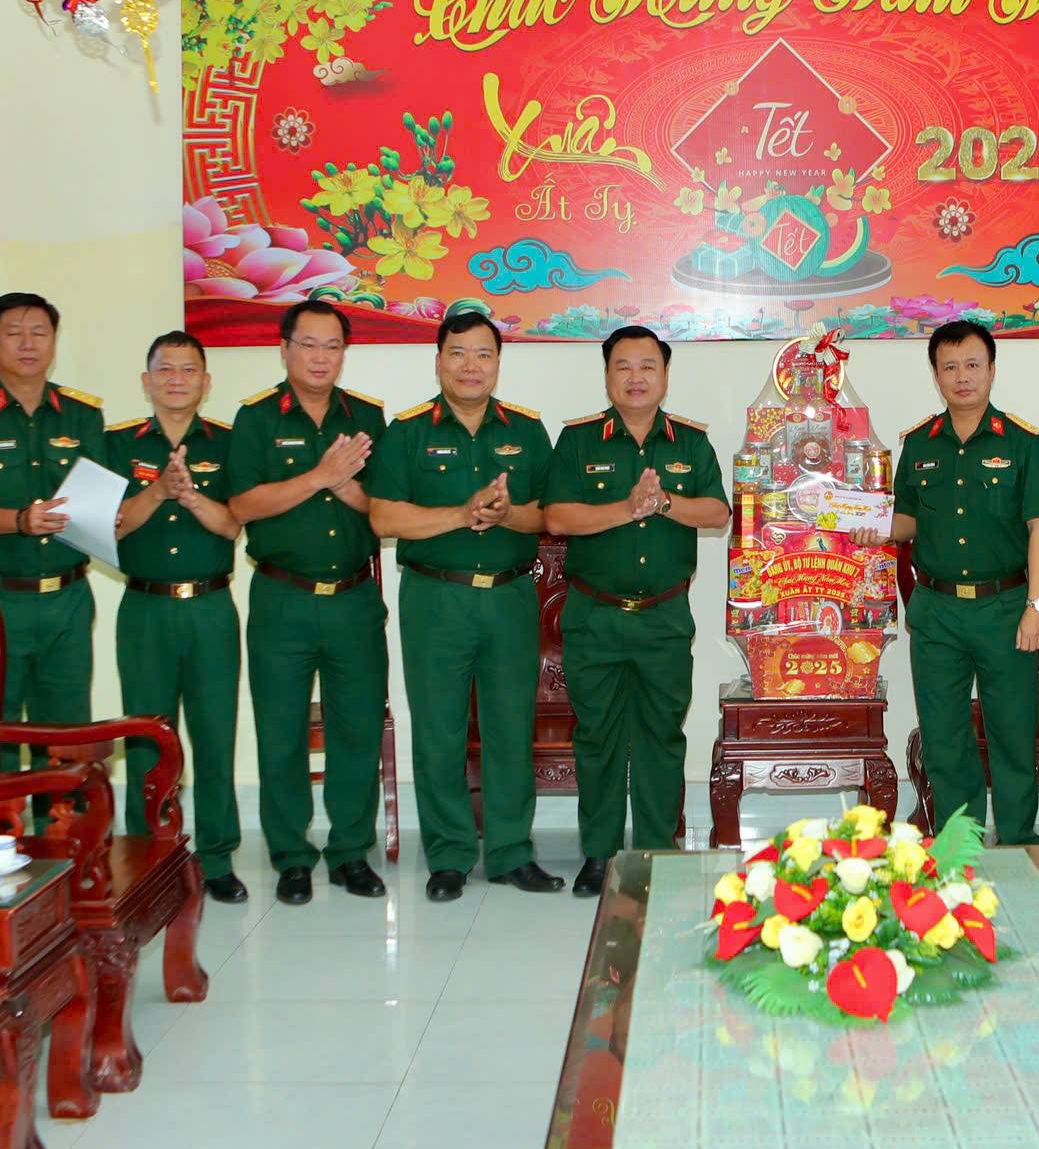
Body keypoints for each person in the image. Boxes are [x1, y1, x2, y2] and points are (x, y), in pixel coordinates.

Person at [366, 309, 561, 902]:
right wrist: (460, 514)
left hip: (509, 598)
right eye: (458, 353)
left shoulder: (526, 430)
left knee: (510, 729)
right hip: (436, 598)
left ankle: (510, 852)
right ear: (439, 362)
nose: (470, 366)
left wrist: (507, 514)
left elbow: (548, 514)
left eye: (483, 354)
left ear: (498, 364)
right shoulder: (408, 432)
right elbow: (383, 517)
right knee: (439, 730)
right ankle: (449, 856)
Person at [542, 325, 728, 897]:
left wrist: (665, 502)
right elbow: (557, 518)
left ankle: (654, 854)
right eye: (623, 366)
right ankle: (599, 855)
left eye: (648, 366)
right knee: (597, 738)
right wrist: (627, 509)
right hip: (594, 617)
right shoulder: (578, 441)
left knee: (660, 738)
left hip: (663, 619)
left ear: (665, 375)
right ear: (607, 376)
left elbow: (718, 512)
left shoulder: (690, 443)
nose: (636, 377)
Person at [855, 321, 1039, 849]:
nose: (962, 377)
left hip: (1006, 608)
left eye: (972, 365)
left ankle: (1017, 841)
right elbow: (907, 521)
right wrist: (870, 524)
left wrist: (1037, 607)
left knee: (1012, 732)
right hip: (937, 610)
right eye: (950, 367)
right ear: (936, 375)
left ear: (991, 370)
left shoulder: (1024, 443)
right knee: (944, 737)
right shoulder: (919, 443)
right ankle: (959, 843)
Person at [227, 299, 390, 906]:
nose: (321, 357)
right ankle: (292, 855)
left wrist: (350, 490)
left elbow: (387, 509)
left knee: (357, 728)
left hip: (353, 598)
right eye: (309, 345)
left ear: (344, 354)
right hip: (282, 599)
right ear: (285, 349)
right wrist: (319, 477)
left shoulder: (368, 418)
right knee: (282, 732)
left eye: (332, 346)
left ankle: (351, 851)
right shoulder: (256, 418)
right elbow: (242, 506)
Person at [110, 331, 246, 903]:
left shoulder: (229, 443)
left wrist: (190, 497)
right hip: (145, 609)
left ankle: (217, 859)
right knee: (146, 739)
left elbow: (233, 525)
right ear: (147, 381)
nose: (176, 380)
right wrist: (157, 492)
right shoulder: (116, 443)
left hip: (211, 608)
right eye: (165, 370)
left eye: (189, 370)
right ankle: (147, 859)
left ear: (206, 382)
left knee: (215, 735)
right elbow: (110, 526)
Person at [0, 293, 105, 740]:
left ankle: (63, 793)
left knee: (67, 734)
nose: (28, 344)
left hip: (67, 599)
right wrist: (19, 521)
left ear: (54, 342)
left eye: (39, 333)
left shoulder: (83, 415)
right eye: (14, 334)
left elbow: (100, 499)